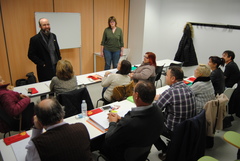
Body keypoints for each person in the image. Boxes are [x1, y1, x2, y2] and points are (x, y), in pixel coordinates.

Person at [93, 80, 164, 161]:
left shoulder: (129, 122)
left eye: (133, 90)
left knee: (98, 138)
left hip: (122, 155)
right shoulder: (158, 112)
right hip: (141, 152)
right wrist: (121, 119)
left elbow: (109, 140)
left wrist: (112, 122)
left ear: (136, 95)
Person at [25, 98, 93, 161]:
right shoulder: (81, 128)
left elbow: (28, 159)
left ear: (40, 122)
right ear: (62, 112)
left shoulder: (38, 145)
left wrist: (37, 130)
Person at [154, 66, 196, 160]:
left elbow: (155, 110)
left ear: (173, 79)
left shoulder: (170, 92)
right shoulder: (190, 88)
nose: (165, 77)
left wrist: (158, 98)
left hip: (174, 129)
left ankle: (165, 150)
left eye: (167, 75)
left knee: (150, 125)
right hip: (187, 127)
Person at [28, 18, 61, 82]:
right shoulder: (35, 39)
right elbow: (30, 55)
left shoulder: (53, 36)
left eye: (48, 24)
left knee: (58, 84)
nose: (47, 27)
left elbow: (57, 49)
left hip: (56, 66)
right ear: (40, 26)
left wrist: (59, 60)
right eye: (44, 25)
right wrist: (42, 63)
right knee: (47, 87)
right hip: (44, 69)